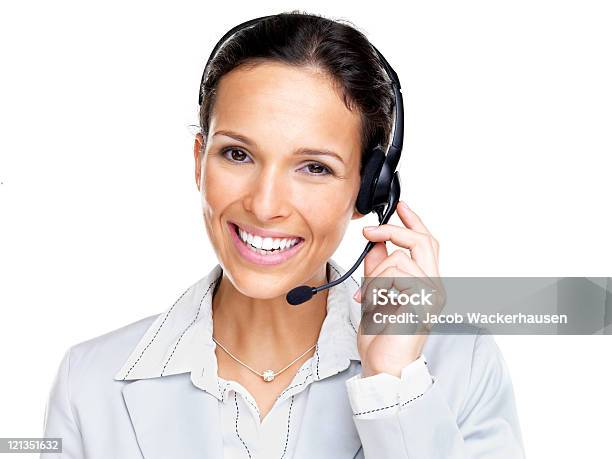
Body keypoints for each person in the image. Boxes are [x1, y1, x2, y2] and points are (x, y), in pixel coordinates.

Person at [42, 12, 525, 458]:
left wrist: (393, 387)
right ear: (198, 160)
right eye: (237, 155)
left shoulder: (463, 367)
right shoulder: (88, 382)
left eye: (314, 167)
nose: (265, 204)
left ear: (368, 189)